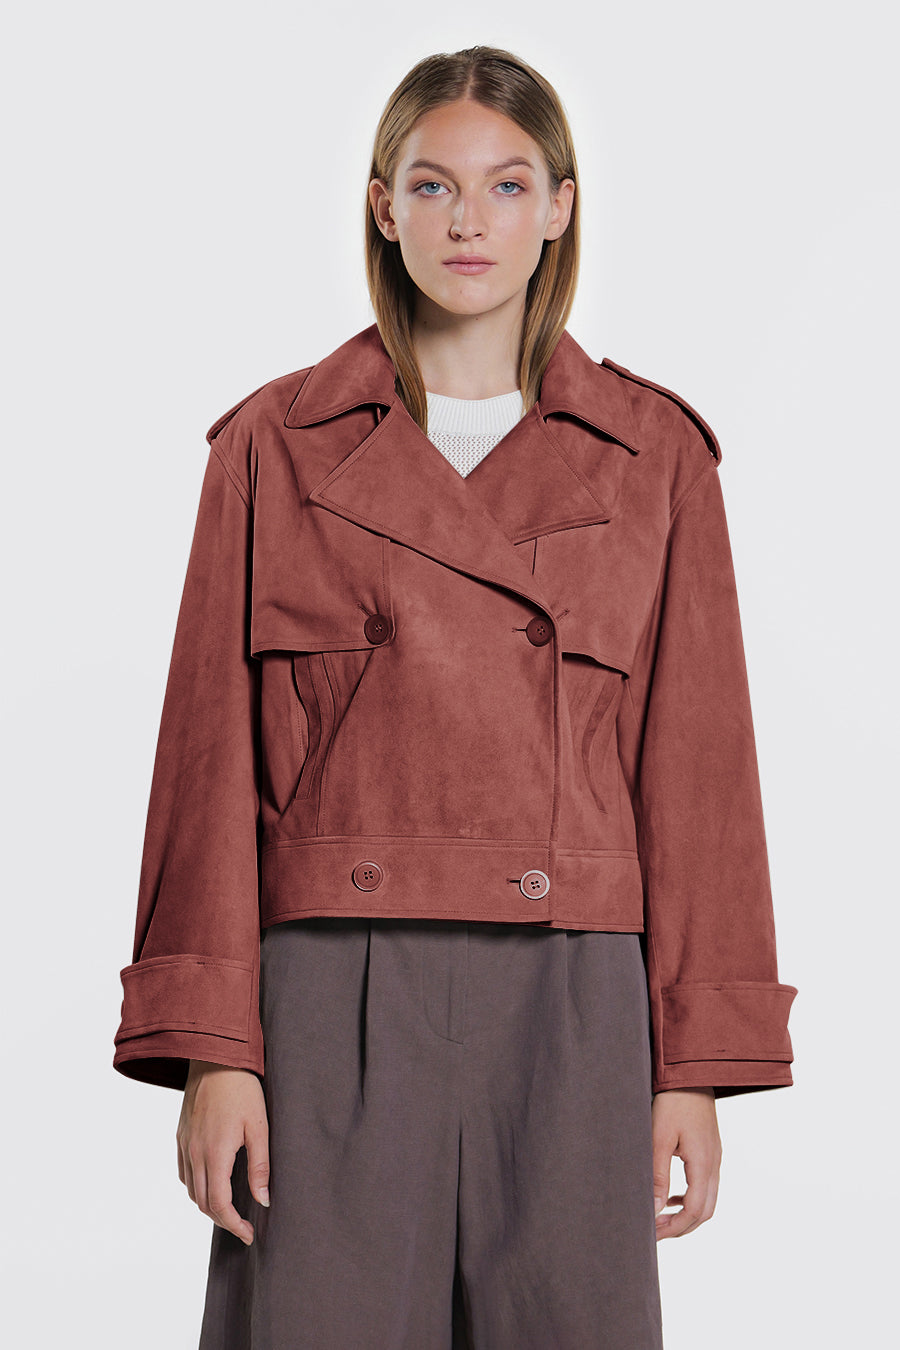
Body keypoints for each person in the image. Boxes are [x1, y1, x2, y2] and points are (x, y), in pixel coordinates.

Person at [112, 45, 798, 1349]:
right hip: (326, 992)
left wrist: (696, 1066)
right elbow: (205, 764)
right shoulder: (271, 445)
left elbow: (700, 774)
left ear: (561, 207)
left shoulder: (655, 457)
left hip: (574, 997)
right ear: (383, 207)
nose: (468, 219)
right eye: (432, 185)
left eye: (507, 184)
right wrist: (215, 1047)